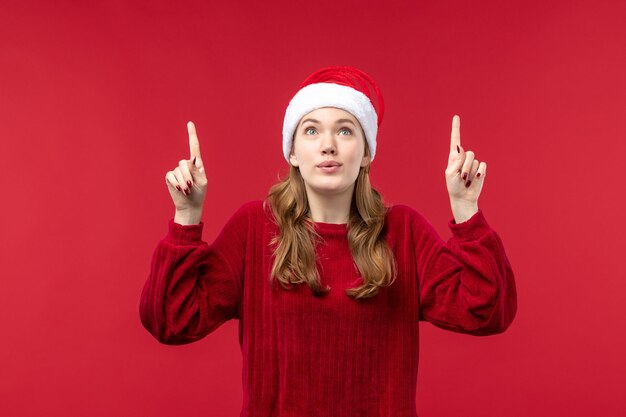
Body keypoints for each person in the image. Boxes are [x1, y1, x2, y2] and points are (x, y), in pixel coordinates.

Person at [139, 66, 517, 417]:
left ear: (367, 152)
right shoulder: (255, 228)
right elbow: (171, 321)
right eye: (311, 130)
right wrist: (186, 217)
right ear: (292, 151)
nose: (328, 145)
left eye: (345, 130)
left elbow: (486, 311)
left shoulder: (403, 232)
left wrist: (466, 209)